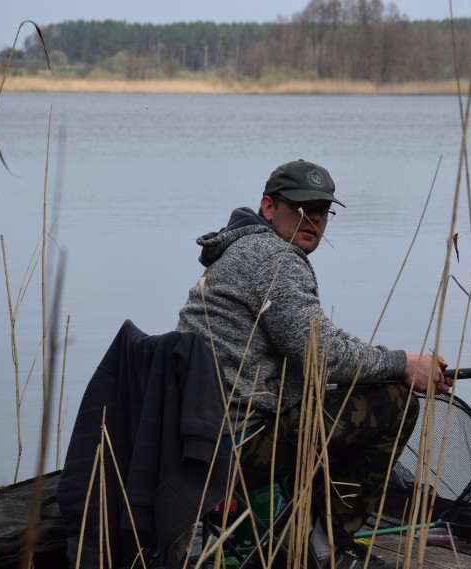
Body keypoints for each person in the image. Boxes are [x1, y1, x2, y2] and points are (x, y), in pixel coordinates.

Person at [176, 159, 448, 568]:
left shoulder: (242, 250)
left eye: (322, 210)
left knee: (350, 398)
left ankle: (299, 532)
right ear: (268, 207)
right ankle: (325, 549)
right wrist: (404, 364)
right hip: (235, 447)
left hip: (202, 439)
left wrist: (393, 362)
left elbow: (316, 342)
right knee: (395, 401)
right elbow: (323, 356)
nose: (315, 220)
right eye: (302, 208)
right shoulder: (272, 258)